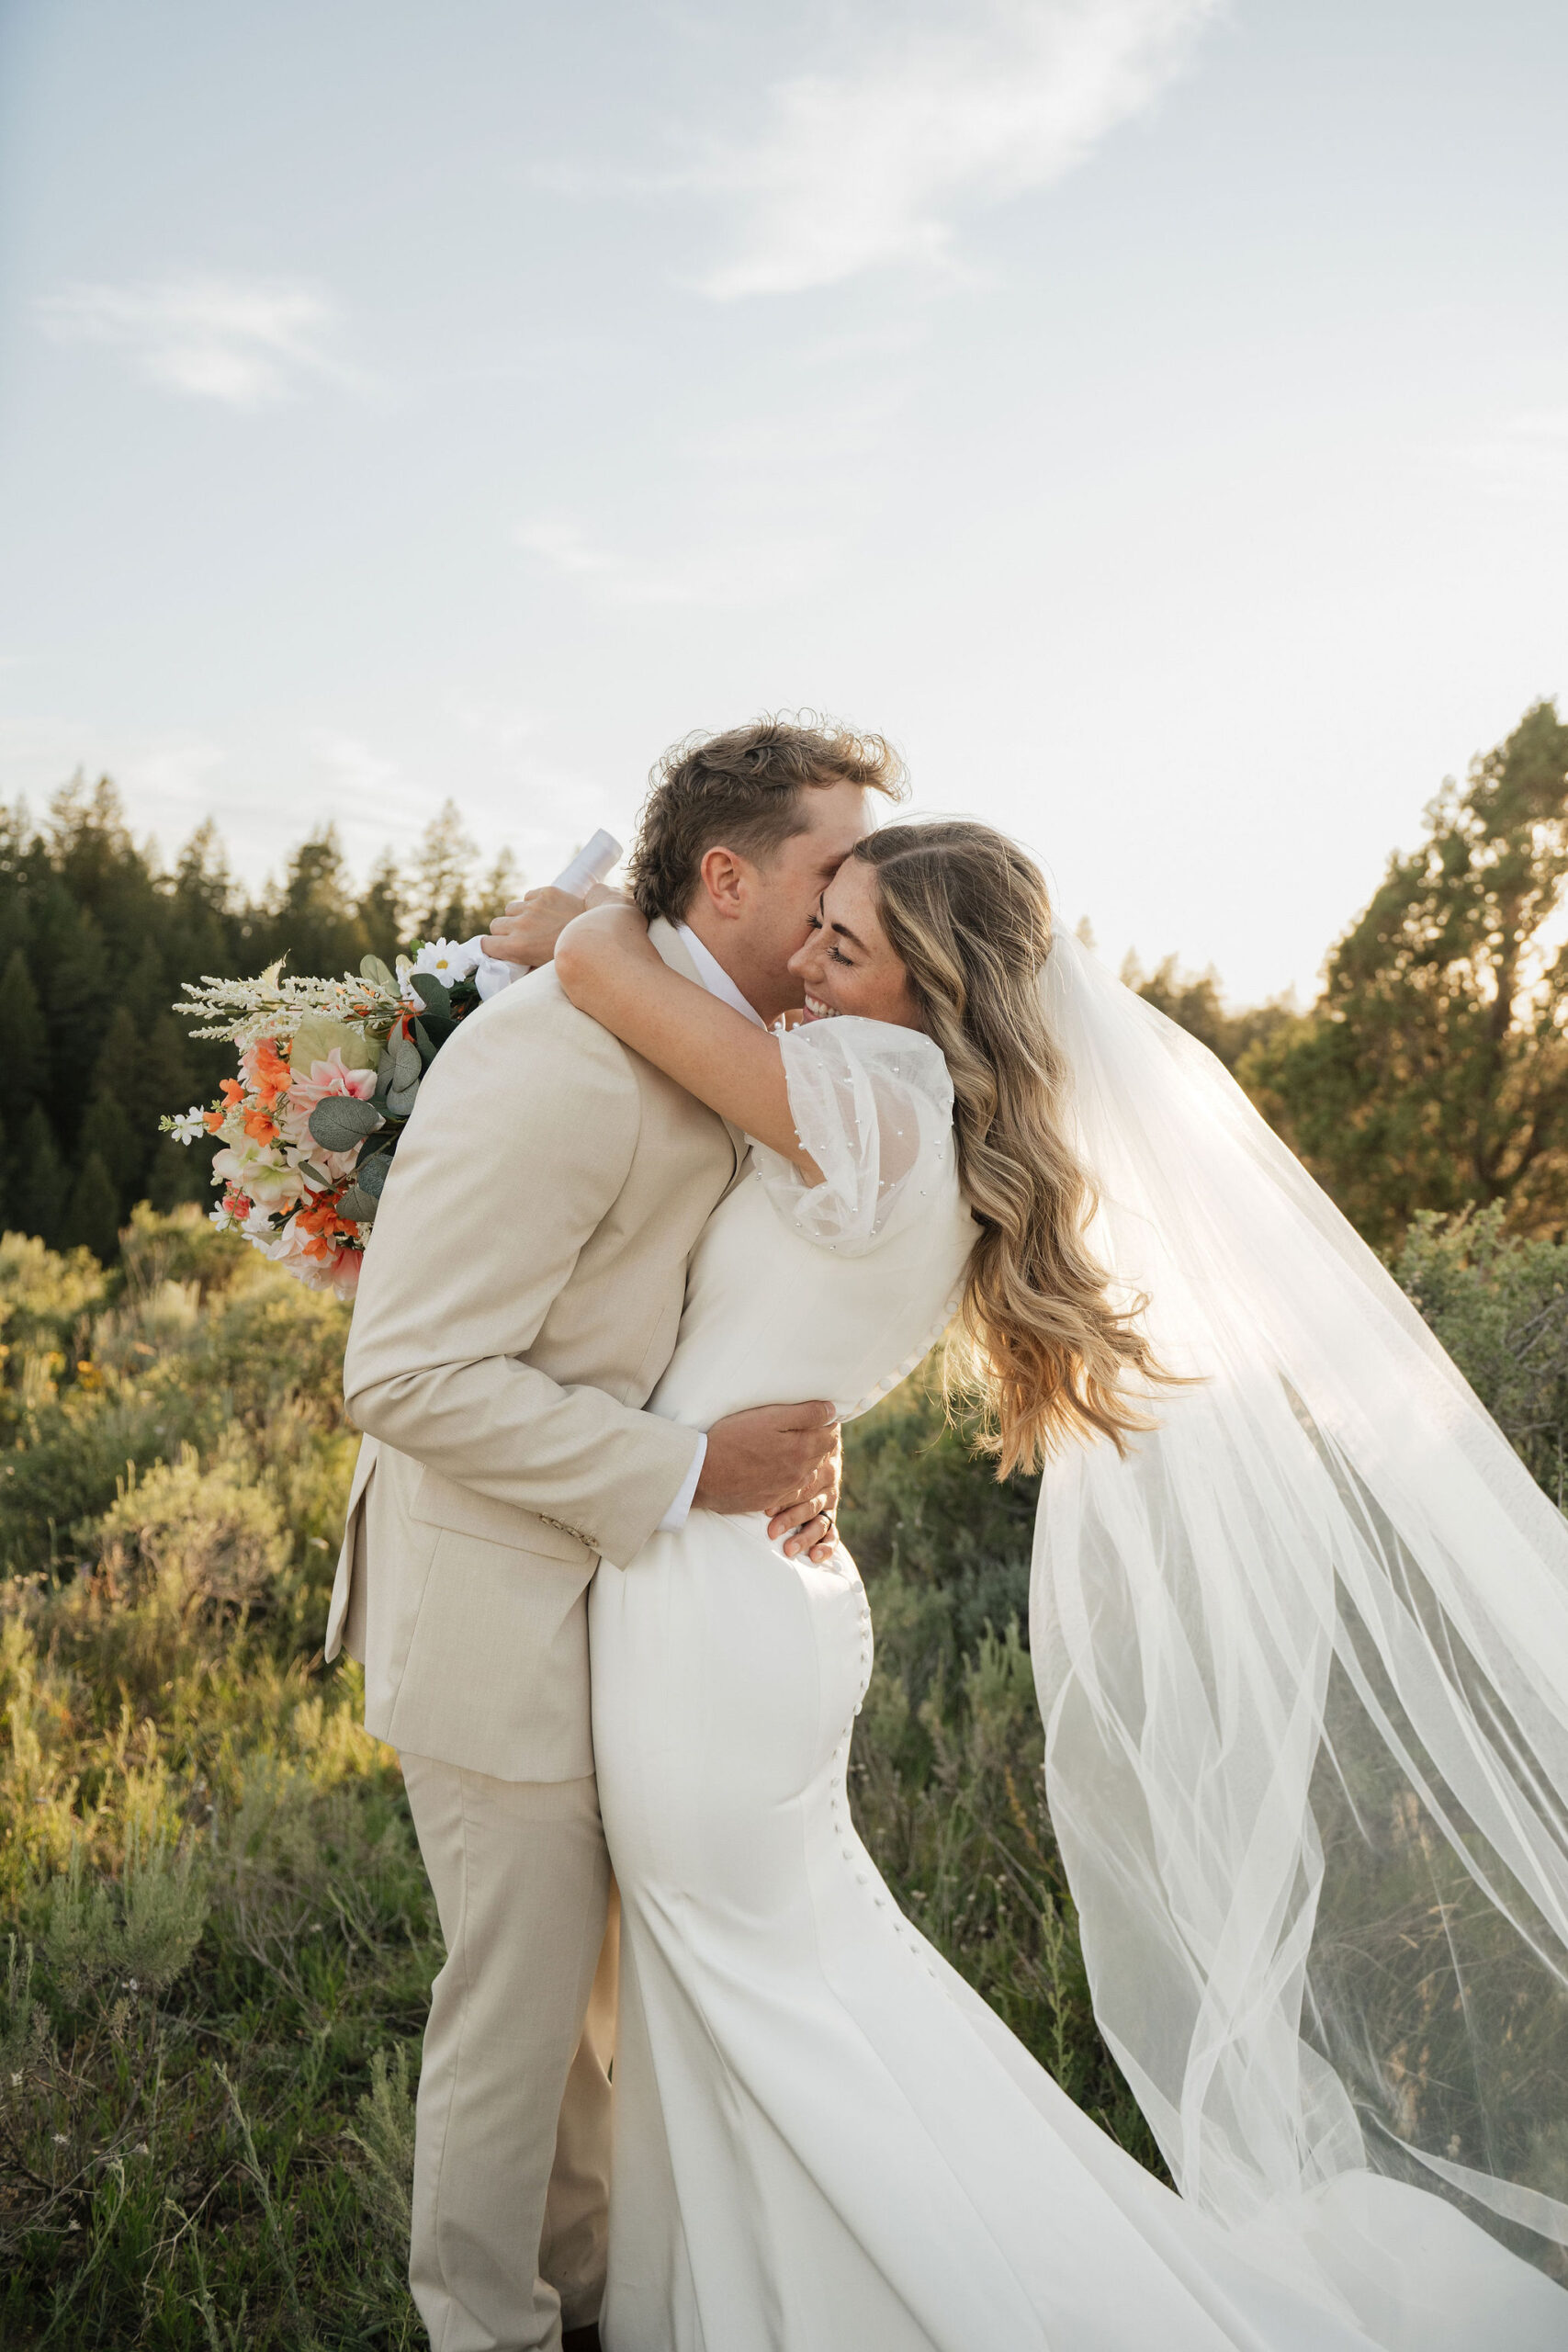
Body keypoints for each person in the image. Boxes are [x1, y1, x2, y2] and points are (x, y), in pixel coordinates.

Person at [505, 816, 1568, 2351]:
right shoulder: (906, 1111)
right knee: (779, 1991)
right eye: (816, 929)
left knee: (765, 1999)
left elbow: (608, 963)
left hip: (715, 1616)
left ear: (934, 989)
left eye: (844, 943)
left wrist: (571, 916)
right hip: (739, 1591)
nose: (802, 962)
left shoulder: (870, 1096)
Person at [324, 717, 906, 2352]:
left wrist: (793, 1426)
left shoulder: (714, 1037)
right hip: (495, 1607)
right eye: (826, 882)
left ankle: (582, 2304)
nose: (841, 921)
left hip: (625, 1603)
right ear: (724, 877)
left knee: (596, 2020)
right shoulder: (560, 1054)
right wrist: (689, 1468)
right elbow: (408, 1372)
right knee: (517, 2024)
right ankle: (483, 2328)